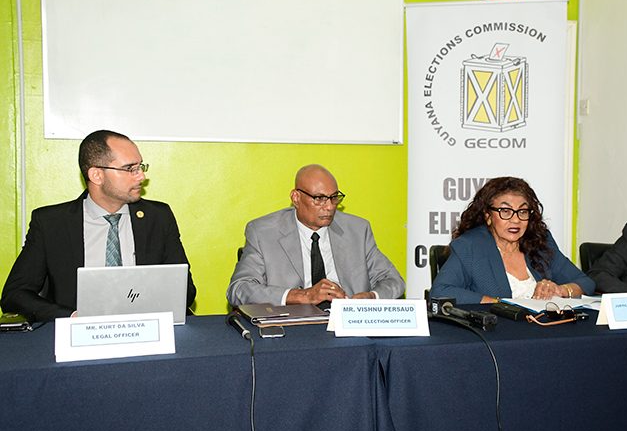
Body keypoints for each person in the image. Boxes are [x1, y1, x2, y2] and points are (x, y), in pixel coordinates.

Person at [1, 130, 197, 322]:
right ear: (96, 175)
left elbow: (185, 292)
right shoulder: (51, 223)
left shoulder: (158, 218)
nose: (141, 177)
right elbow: (14, 295)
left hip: (146, 332)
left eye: (141, 167)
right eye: (130, 169)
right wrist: (73, 318)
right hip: (78, 340)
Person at [227, 164, 405, 306]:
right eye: (319, 198)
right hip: (293, 329)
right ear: (296, 198)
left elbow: (393, 281)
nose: (329, 207)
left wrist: (371, 298)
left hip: (347, 326)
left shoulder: (357, 230)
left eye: (334, 197)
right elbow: (239, 289)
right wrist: (301, 296)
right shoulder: (263, 232)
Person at [430, 176, 594, 304]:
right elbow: (440, 291)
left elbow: (586, 282)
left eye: (522, 211)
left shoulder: (540, 242)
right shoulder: (471, 246)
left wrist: (561, 290)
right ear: (488, 216)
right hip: (497, 337)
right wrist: (500, 304)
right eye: (505, 211)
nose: (515, 220)